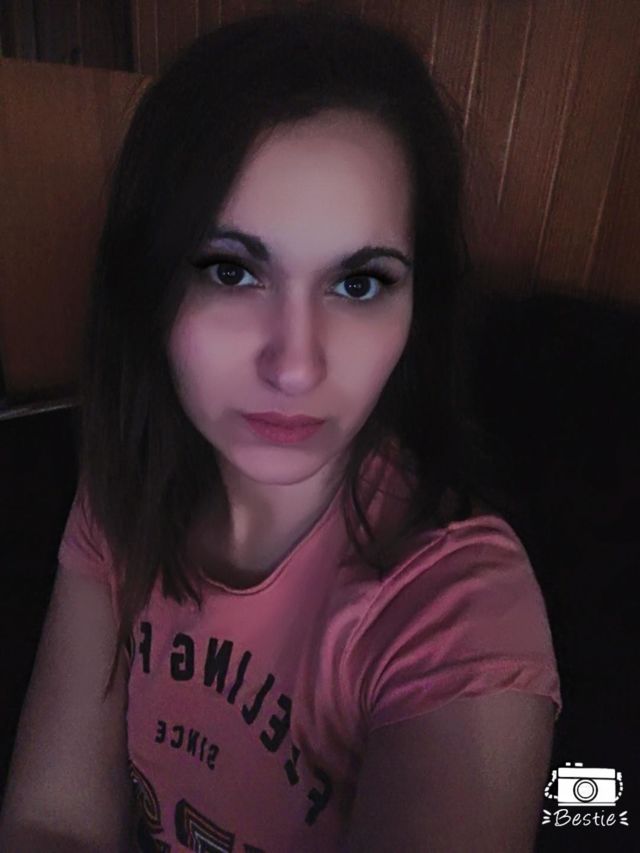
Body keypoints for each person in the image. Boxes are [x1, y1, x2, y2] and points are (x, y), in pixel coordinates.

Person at [0, 6, 562, 851]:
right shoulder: (127, 484)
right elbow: (52, 820)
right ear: (148, 282)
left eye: (360, 284)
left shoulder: (454, 611)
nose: (295, 366)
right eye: (232, 271)